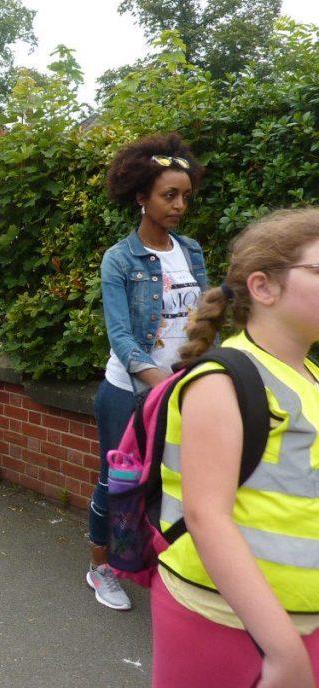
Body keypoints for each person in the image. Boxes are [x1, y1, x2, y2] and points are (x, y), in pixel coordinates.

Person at [150, 208, 319, 686]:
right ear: (264, 288)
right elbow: (207, 517)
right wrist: (283, 651)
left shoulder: (310, 377)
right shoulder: (222, 380)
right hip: (228, 623)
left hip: (300, 619)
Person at [87, 133, 207, 611]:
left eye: (185, 196)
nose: (179, 206)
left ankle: (162, 566)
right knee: (117, 482)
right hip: (129, 393)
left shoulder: (191, 251)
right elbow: (122, 337)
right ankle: (101, 567)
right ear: (141, 197)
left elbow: (202, 322)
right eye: (168, 195)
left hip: (183, 389)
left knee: (175, 481)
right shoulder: (119, 259)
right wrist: (165, 385)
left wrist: (205, 376)